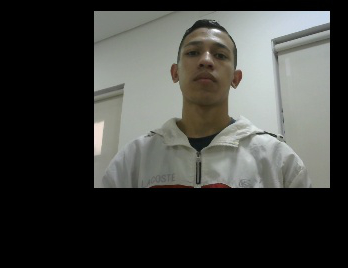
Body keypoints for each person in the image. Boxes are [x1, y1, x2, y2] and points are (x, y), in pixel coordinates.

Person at [98, 19, 310, 187]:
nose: (206, 60)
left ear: (235, 78)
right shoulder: (133, 159)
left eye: (220, 55)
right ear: (175, 73)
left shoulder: (278, 159)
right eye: (193, 52)